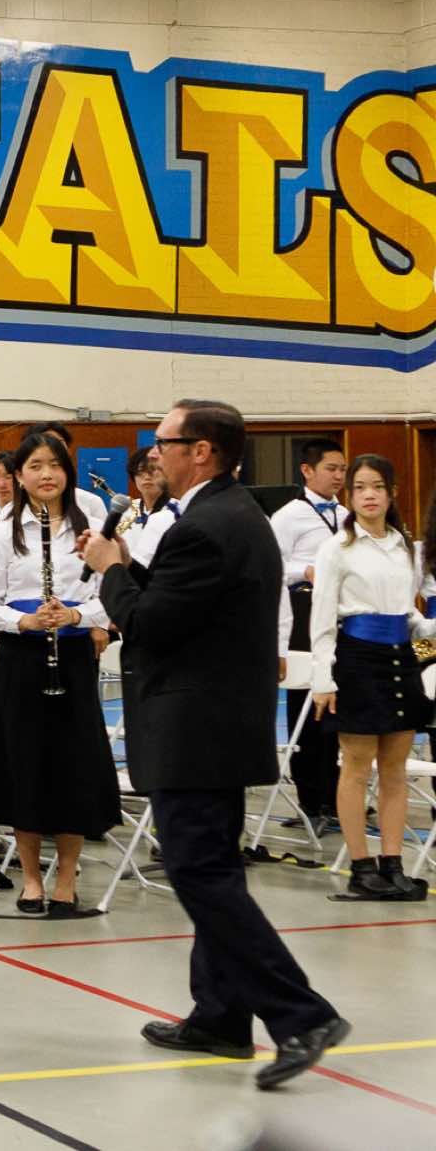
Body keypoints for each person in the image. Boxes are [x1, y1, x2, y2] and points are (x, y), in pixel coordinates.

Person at [86, 399, 348, 1088]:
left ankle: (302, 1013)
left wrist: (111, 570)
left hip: (195, 728)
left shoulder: (204, 526)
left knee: (200, 873)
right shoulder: (235, 514)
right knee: (213, 869)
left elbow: (149, 625)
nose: (155, 454)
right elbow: (183, 605)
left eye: (164, 442)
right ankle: (221, 1015)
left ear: (200, 450)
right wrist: (129, 567)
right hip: (219, 725)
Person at [0, 430, 118, 915]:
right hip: (21, 659)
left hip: (72, 657)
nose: (46, 474)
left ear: (67, 472)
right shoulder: (0, 534)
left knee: (72, 767)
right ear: (19, 476)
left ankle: (67, 877)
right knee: (25, 767)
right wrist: (25, 621)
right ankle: (32, 877)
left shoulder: (89, 531)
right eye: (35, 466)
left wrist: (76, 615)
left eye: (55, 465)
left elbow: (108, 597)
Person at [305, 456, 432, 901]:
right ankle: (361, 868)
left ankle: (392, 865)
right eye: (359, 487)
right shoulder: (336, 549)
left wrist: (428, 629)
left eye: (377, 486)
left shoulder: (405, 547)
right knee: (356, 767)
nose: (369, 495)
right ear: (350, 495)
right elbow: (322, 620)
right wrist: (324, 679)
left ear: (391, 492)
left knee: (395, 770)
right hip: (357, 659)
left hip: (401, 658)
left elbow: (408, 614)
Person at [270, 438, 348, 832]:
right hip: (302, 611)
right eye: (331, 468)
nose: (339, 476)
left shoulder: (346, 514)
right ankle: (310, 800)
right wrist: (305, 571)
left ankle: (338, 797)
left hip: (339, 614)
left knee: (337, 705)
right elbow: (269, 567)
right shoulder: (288, 516)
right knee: (306, 704)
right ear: (307, 470)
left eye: (343, 469)